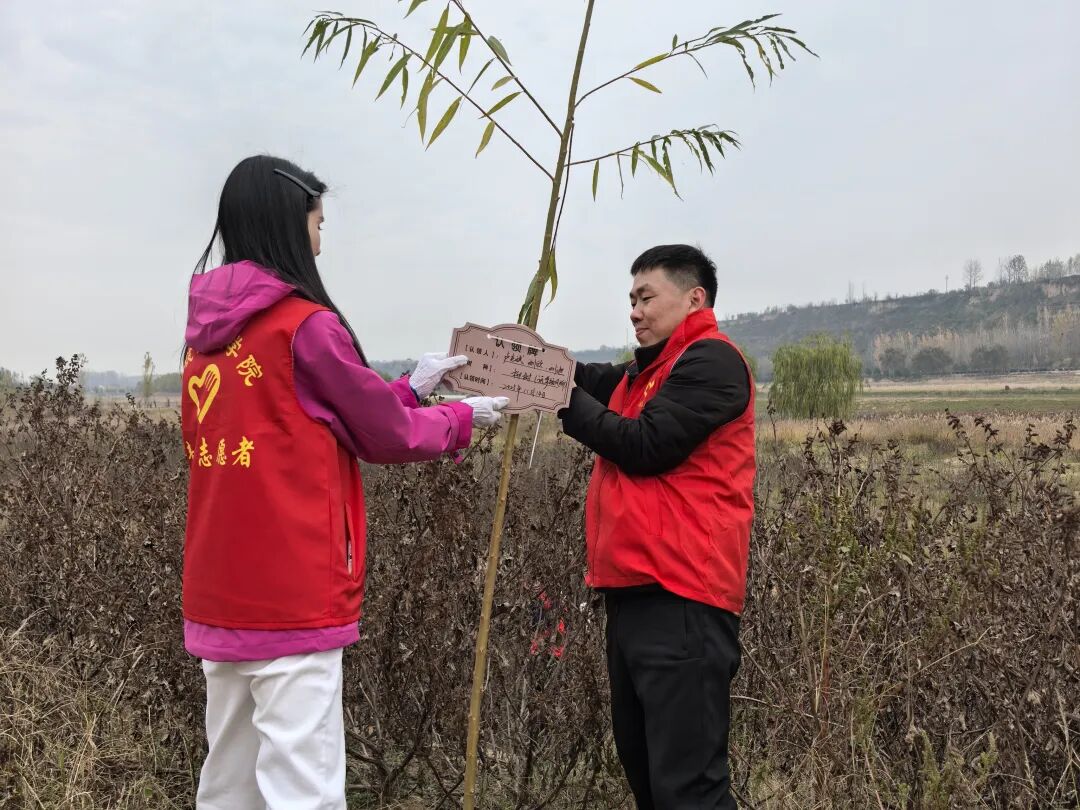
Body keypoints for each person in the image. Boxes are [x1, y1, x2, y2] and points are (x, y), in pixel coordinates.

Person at [180, 154, 507, 810]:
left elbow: (314, 417)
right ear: (287, 225)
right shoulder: (305, 324)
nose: (322, 240)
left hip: (221, 590)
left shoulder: (204, 339)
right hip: (294, 590)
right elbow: (381, 432)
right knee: (305, 788)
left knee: (229, 784)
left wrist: (410, 389)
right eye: (318, 223)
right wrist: (460, 417)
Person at [558, 244, 755, 809]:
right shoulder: (646, 374)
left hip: (683, 598)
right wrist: (521, 362)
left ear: (694, 298)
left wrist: (559, 395)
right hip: (634, 597)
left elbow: (644, 446)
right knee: (650, 779)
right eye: (631, 300)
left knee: (688, 789)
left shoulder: (711, 362)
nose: (635, 312)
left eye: (647, 298)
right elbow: (589, 378)